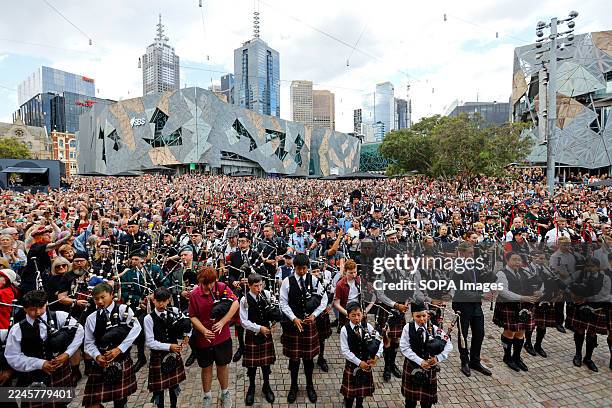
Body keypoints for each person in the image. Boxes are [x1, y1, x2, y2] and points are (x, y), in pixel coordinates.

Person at [5, 290, 84, 407]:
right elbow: (12, 356)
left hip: (60, 373)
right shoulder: (17, 329)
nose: (37, 312)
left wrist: (67, 354)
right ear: (24, 309)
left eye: (41, 307)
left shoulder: (59, 316)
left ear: (46, 304)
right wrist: (40, 363)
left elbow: (79, 331)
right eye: (32, 309)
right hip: (33, 377)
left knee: (62, 405)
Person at [82, 283, 142, 408]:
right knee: (91, 403)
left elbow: (136, 329)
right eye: (96, 299)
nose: (99, 301)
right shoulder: (91, 318)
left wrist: (119, 349)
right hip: (101, 363)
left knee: (120, 402)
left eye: (103, 297)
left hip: (121, 361)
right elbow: (89, 343)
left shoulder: (123, 310)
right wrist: (97, 356)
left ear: (111, 295)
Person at [279, 253, 327, 403]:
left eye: (304, 268)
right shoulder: (287, 282)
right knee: (294, 360)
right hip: (293, 326)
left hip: (309, 324)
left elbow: (324, 299)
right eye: (299, 268)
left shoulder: (313, 280)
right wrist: (293, 318)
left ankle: (309, 385)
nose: (301, 271)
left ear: (308, 267)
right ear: (294, 267)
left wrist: (314, 315)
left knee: (308, 359)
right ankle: (294, 386)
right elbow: (283, 303)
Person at [188, 266, 239, 408]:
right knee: (206, 368)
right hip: (204, 338)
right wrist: (203, 330)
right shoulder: (194, 294)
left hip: (222, 337)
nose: (207, 287)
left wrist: (223, 321)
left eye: (209, 283)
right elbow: (192, 316)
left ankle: (225, 393)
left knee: (223, 365)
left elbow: (235, 303)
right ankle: (207, 396)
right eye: (204, 284)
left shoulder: (222, 287)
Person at [451, 242, 494, 377]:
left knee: (479, 333)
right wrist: (481, 294)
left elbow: (480, 280)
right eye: (469, 253)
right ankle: (464, 361)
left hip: (476, 304)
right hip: (462, 305)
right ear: (462, 253)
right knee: (463, 334)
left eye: (472, 253)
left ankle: (475, 361)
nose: (472, 255)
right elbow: (460, 290)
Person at [399, 302, 453, 408]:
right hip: (412, 366)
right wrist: (420, 361)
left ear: (427, 314)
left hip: (429, 369)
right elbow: (404, 348)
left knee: (427, 403)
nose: (422, 319)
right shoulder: (407, 328)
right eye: (418, 316)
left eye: (424, 316)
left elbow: (448, 344)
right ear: (412, 315)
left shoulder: (434, 329)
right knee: (410, 402)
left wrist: (438, 358)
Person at [144, 287, 190, 408]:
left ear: (168, 300)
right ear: (153, 300)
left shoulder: (174, 310)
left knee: (173, 386)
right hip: (158, 356)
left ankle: (173, 406)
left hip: (173, 355)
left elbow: (186, 323)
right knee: (159, 391)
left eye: (164, 301)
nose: (161, 304)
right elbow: (150, 342)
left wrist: (187, 335)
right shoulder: (148, 318)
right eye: (158, 300)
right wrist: (169, 346)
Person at [494, 252, 540, 372]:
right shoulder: (501, 273)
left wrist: (536, 292)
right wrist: (522, 297)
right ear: (507, 260)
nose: (517, 263)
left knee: (520, 332)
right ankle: (507, 357)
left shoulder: (525, 272)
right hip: (509, 306)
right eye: (514, 260)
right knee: (509, 332)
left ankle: (517, 357)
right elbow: (503, 292)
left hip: (523, 307)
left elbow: (534, 285)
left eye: (519, 260)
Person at [239, 273, 276, 405]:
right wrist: (259, 328)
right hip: (253, 335)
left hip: (266, 334)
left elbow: (272, 310)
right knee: (252, 366)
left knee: (266, 365)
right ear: (249, 285)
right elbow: (244, 322)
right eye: (256, 286)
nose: (259, 288)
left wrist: (274, 321)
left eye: (260, 285)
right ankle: (252, 387)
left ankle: (267, 386)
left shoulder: (266, 294)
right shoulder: (244, 300)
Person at [339, 301, 383, 408]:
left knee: (361, 394)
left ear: (362, 314)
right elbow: (345, 351)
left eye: (359, 315)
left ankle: (359, 405)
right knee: (350, 396)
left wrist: (376, 357)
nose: (357, 318)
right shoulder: (345, 330)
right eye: (353, 315)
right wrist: (359, 362)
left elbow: (379, 341)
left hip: (366, 365)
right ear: (348, 315)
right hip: (352, 365)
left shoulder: (367, 326)